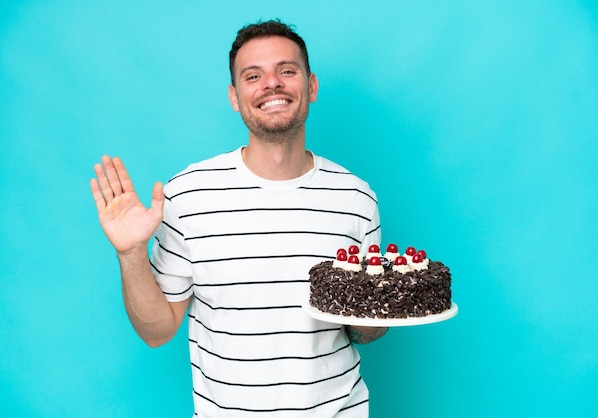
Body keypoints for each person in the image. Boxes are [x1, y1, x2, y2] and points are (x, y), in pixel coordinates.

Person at [90, 19, 387, 417]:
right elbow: (156, 330)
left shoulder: (356, 197)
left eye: (287, 70)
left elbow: (365, 330)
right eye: (253, 75)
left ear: (311, 86)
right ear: (235, 96)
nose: (272, 84)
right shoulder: (188, 193)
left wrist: (375, 314)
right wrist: (130, 254)